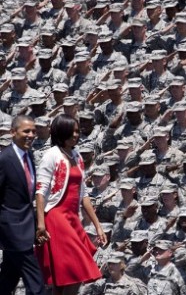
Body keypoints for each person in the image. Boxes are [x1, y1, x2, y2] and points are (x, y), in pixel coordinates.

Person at [35, 114, 107, 295]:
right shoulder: (51, 155)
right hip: (56, 217)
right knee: (77, 270)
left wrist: (98, 226)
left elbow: (83, 194)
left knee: (63, 279)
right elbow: (40, 192)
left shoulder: (77, 156)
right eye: (72, 131)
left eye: (77, 130)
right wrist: (41, 224)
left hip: (73, 218)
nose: (76, 134)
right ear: (61, 131)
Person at [0, 115, 45, 295]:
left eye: (33, 131)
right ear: (12, 132)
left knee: (7, 280)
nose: (31, 135)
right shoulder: (4, 159)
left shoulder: (29, 155)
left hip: (25, 227)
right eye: (26, 131)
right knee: (36, 285)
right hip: (12, 230)